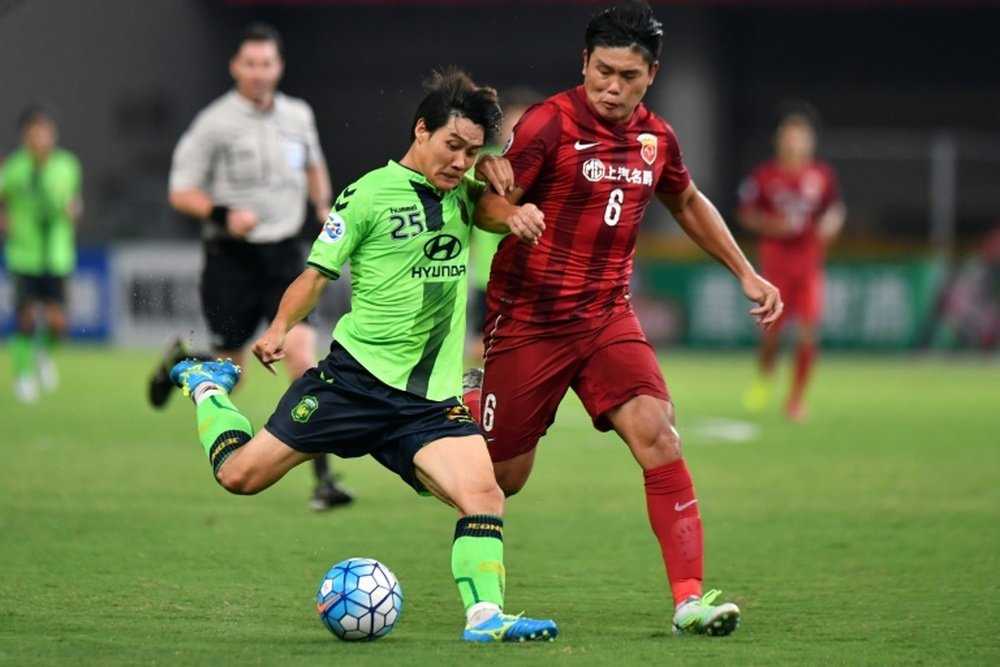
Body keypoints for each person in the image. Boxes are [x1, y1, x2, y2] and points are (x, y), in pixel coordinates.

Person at [167, 68, 557, 643]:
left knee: (484, 494)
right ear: (421, 130)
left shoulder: (467, 193)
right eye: (452, 146)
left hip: (428, 404)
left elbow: (493, 208)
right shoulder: (368, 194)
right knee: (239, 476)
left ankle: (485, 617)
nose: (460, 162)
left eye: (473, 152)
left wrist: (514, 205)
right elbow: (317, 274)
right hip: (352, 384)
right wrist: (279, 327)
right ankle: (206, 384)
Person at [466, 1, 782, 636]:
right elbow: (484, 203)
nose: (612, 88)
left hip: (608, 316)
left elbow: (686, 200)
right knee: (503, 478)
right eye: (602, 71)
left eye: (628, 76)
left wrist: (744, 271)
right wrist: (511, 214)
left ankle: (689, 599)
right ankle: (458, 418)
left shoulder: (657, 138)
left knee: (659, 435)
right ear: (584, 62)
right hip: (530, 319)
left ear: (652, 74)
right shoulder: (548, 126)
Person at [152, 22, 351, 509]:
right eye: (251, 64)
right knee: (231, 374)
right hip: (231, 259)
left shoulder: (298, 115)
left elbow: (313, 164)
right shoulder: (214, 123)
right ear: (235, 67)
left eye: (267, 63)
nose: (260, 72)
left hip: (285, 254)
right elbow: (181, 191)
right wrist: (223, 213)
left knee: (304, 360)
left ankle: (324, 481)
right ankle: (182, 365)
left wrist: (323, 204)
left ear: (278, 67)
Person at [737, 108, 845, 422]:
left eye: (802, 139)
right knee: (772, 336)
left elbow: (835, 209)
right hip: (776, 266)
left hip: (809, 264)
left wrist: (831, 224)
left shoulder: (821, 176)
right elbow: (745, 213)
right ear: (780, 141)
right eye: (790, 138)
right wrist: (773, 226)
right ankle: (765, 375)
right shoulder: (765, 176)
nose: (796, 145)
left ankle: (796, 400)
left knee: (809, 332)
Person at [0, 106, 82, 403]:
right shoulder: (14, 168)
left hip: (57, 254)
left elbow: (71, 201)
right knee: (25, 318)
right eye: (33, 133)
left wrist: (73, 209)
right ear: (25, 137)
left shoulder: (66, 165)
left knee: (58, 323)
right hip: (23, 253)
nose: (39, 139)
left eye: (44, 132)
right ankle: (22, 375)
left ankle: (42, 352)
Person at [466, 88, 542, 365]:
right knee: (480, 343)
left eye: (521, 126)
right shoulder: (481, 161)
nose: (514, 133)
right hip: (486, 271)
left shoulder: (539, 162)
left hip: (530, 271)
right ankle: (478, 390)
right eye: (510, 125)